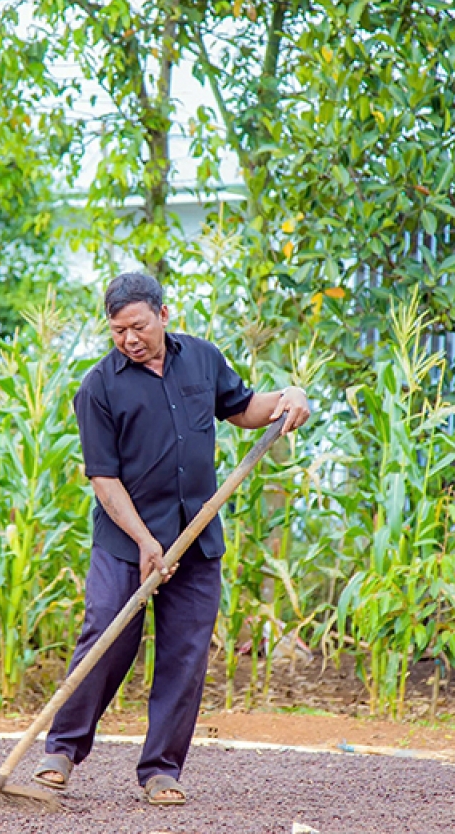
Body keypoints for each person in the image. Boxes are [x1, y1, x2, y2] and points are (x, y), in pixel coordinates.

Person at [32, 271, 310, 806]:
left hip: (196, 536)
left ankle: (161, 770)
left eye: (137, 326)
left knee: (185, 655)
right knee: (108, 638)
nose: (129, 339)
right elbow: (104, 481)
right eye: (118, 331)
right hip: (125, 541)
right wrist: (143, 541)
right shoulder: (99, 386)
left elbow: (244, 408)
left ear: (163, 314)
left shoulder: (202, 358)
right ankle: (62, 752)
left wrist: (289, 395)